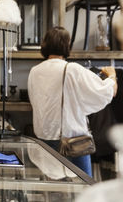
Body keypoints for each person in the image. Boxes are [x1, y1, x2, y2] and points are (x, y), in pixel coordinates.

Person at [28, 26, 117, 177]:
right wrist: (112, 75)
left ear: (45, 44)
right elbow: (107, 92)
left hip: (44, 142)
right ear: (67, 44)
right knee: (84, 189)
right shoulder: (72, 69)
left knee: (53, 192)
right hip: (72, 143)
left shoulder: (34, 71)